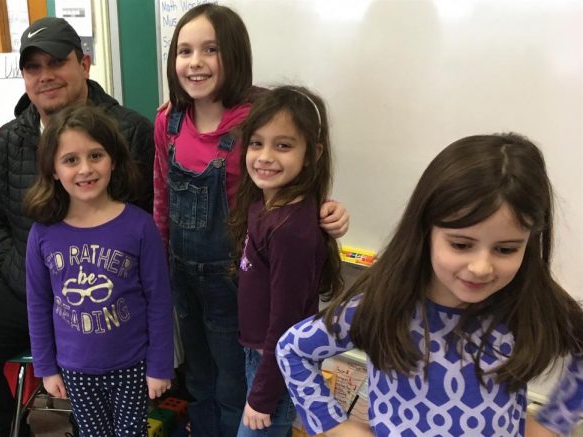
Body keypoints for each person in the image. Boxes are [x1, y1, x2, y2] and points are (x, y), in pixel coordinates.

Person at [277, 133, 583, 436]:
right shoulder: (383, 303)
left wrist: (552, 422)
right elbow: (292, 350)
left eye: (505, 249)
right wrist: (335, 427)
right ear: (427, 231)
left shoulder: (527, 304)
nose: (481, 268)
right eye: (461, 245)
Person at [0, 17, 155, 437]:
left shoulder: (130, 131)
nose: (45, 76)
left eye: (56, 61)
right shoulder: (8, 140)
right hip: (29, 288)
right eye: (33, 67)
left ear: (85, 64)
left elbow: (145, 221)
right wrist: (26, 278)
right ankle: (15, 430)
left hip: (107, 291)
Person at [154, 5, 349, 436]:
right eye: (184, 51)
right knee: (198, 377)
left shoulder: (258, 114)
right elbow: (162, 197)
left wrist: (327, 210)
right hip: (182, 272)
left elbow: (291, 174)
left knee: (232, 382)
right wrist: (159, 265)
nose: (196, 62)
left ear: (235, 55)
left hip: (234, 277)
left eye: (210, 49)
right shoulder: (169, 120)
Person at [24, 105, 173, 436]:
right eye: (71, 160)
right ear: (52, 169)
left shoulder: (139, 226)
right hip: (75, 368)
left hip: (132, 365)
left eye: (96, 155)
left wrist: (160, 365)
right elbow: (37, 305)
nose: (85, 169)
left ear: (113, 160)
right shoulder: (42, 233)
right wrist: (46, 367)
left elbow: (159, 301)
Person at [227, 87, 344, 436]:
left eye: (283, 145)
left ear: (312, 153)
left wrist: (262, 397)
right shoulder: (264, 204)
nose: (264, 156)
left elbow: (286, 325)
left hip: (276, 360)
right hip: (262, 355)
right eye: (256, 143)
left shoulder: (290, 230)